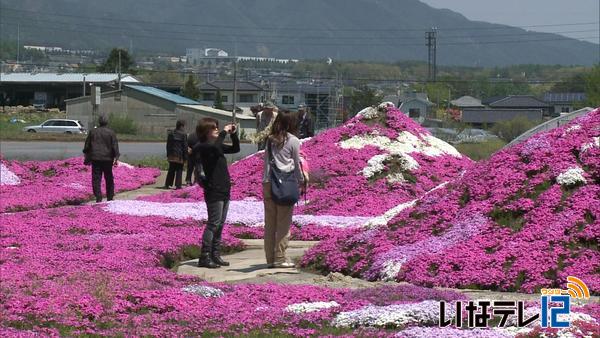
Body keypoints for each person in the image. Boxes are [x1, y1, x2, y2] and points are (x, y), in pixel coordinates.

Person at [193, 118, 240, 268]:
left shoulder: (216, 145)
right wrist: (224, 133)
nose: (216, 130)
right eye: (213, 128)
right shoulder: (203, 147)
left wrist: (233, 135)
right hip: (214, 190)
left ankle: (215, 253)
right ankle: (204, 256)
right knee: (213, 223)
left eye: (217, 128)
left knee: (220, 224)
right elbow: (214, 149)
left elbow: (235, 149)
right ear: (205, 131)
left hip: (224, 188)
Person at [262, 110, 305, 268]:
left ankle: (270, 259)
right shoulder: (293, 140)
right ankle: (280, 258)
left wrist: (266, 181)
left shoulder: (269, 140)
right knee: (283, 224)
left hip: (268, 183)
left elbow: (266, 163)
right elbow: (296, 164)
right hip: (286, 183)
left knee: (270, 224)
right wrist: (301, 181)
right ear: (292, 123)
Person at [82, 115, 120, 203]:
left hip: (96, 158)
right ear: (107, 122)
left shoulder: (93, 132)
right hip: (107, 159)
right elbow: (115, 146)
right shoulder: (111, 133)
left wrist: (87, 155)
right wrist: (116, 157)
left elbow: (87, 146)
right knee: (109, 178)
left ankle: (98, 197)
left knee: (96, 178)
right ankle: (110, 197)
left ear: (99, 122)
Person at [162, 120, 188, 190]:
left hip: (172, 155)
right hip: (179, 156)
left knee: (171, 170)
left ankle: (167, 184)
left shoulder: (171, 133)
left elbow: (168, 145)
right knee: (179, 170)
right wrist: (186, 158)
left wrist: (168, 154)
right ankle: (178, 186)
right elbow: (185, 147)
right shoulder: (184, 134)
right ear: (182, 126)